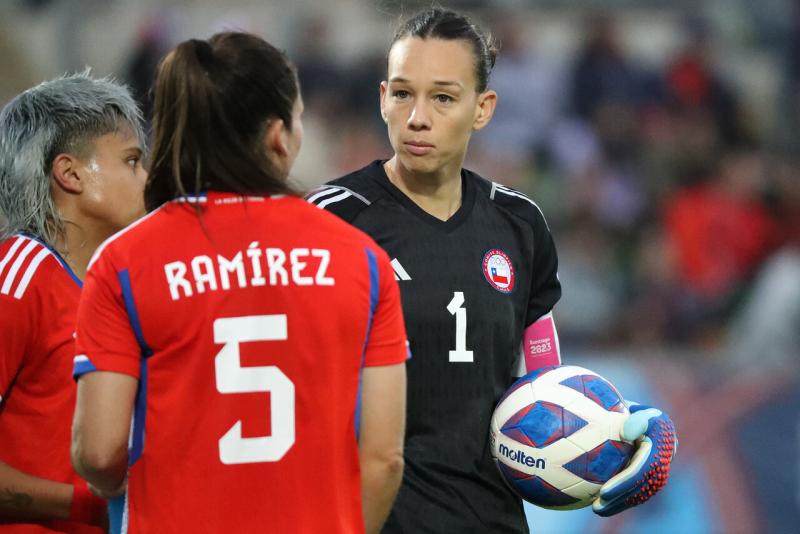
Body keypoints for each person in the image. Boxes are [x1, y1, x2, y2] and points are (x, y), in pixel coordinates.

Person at [308, 8, 677, 533]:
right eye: (403, 94)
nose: (417, 117)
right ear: (382, 97)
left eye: (442, 97)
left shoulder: (519, 223)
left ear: (482, 109)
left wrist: (618, 431)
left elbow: (542, 386)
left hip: (492, 520)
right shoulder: (332, 218)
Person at [70, 32, 408, 534]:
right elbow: (385, 460)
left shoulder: (123, 262)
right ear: (278, 135)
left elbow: (99, 451)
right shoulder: (363, 260)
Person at [0, 72, 146, 532]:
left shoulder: (124, 287)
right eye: (132, 160)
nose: (147, 175)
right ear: (70, 174)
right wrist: (92, 507)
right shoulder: (16, 279)